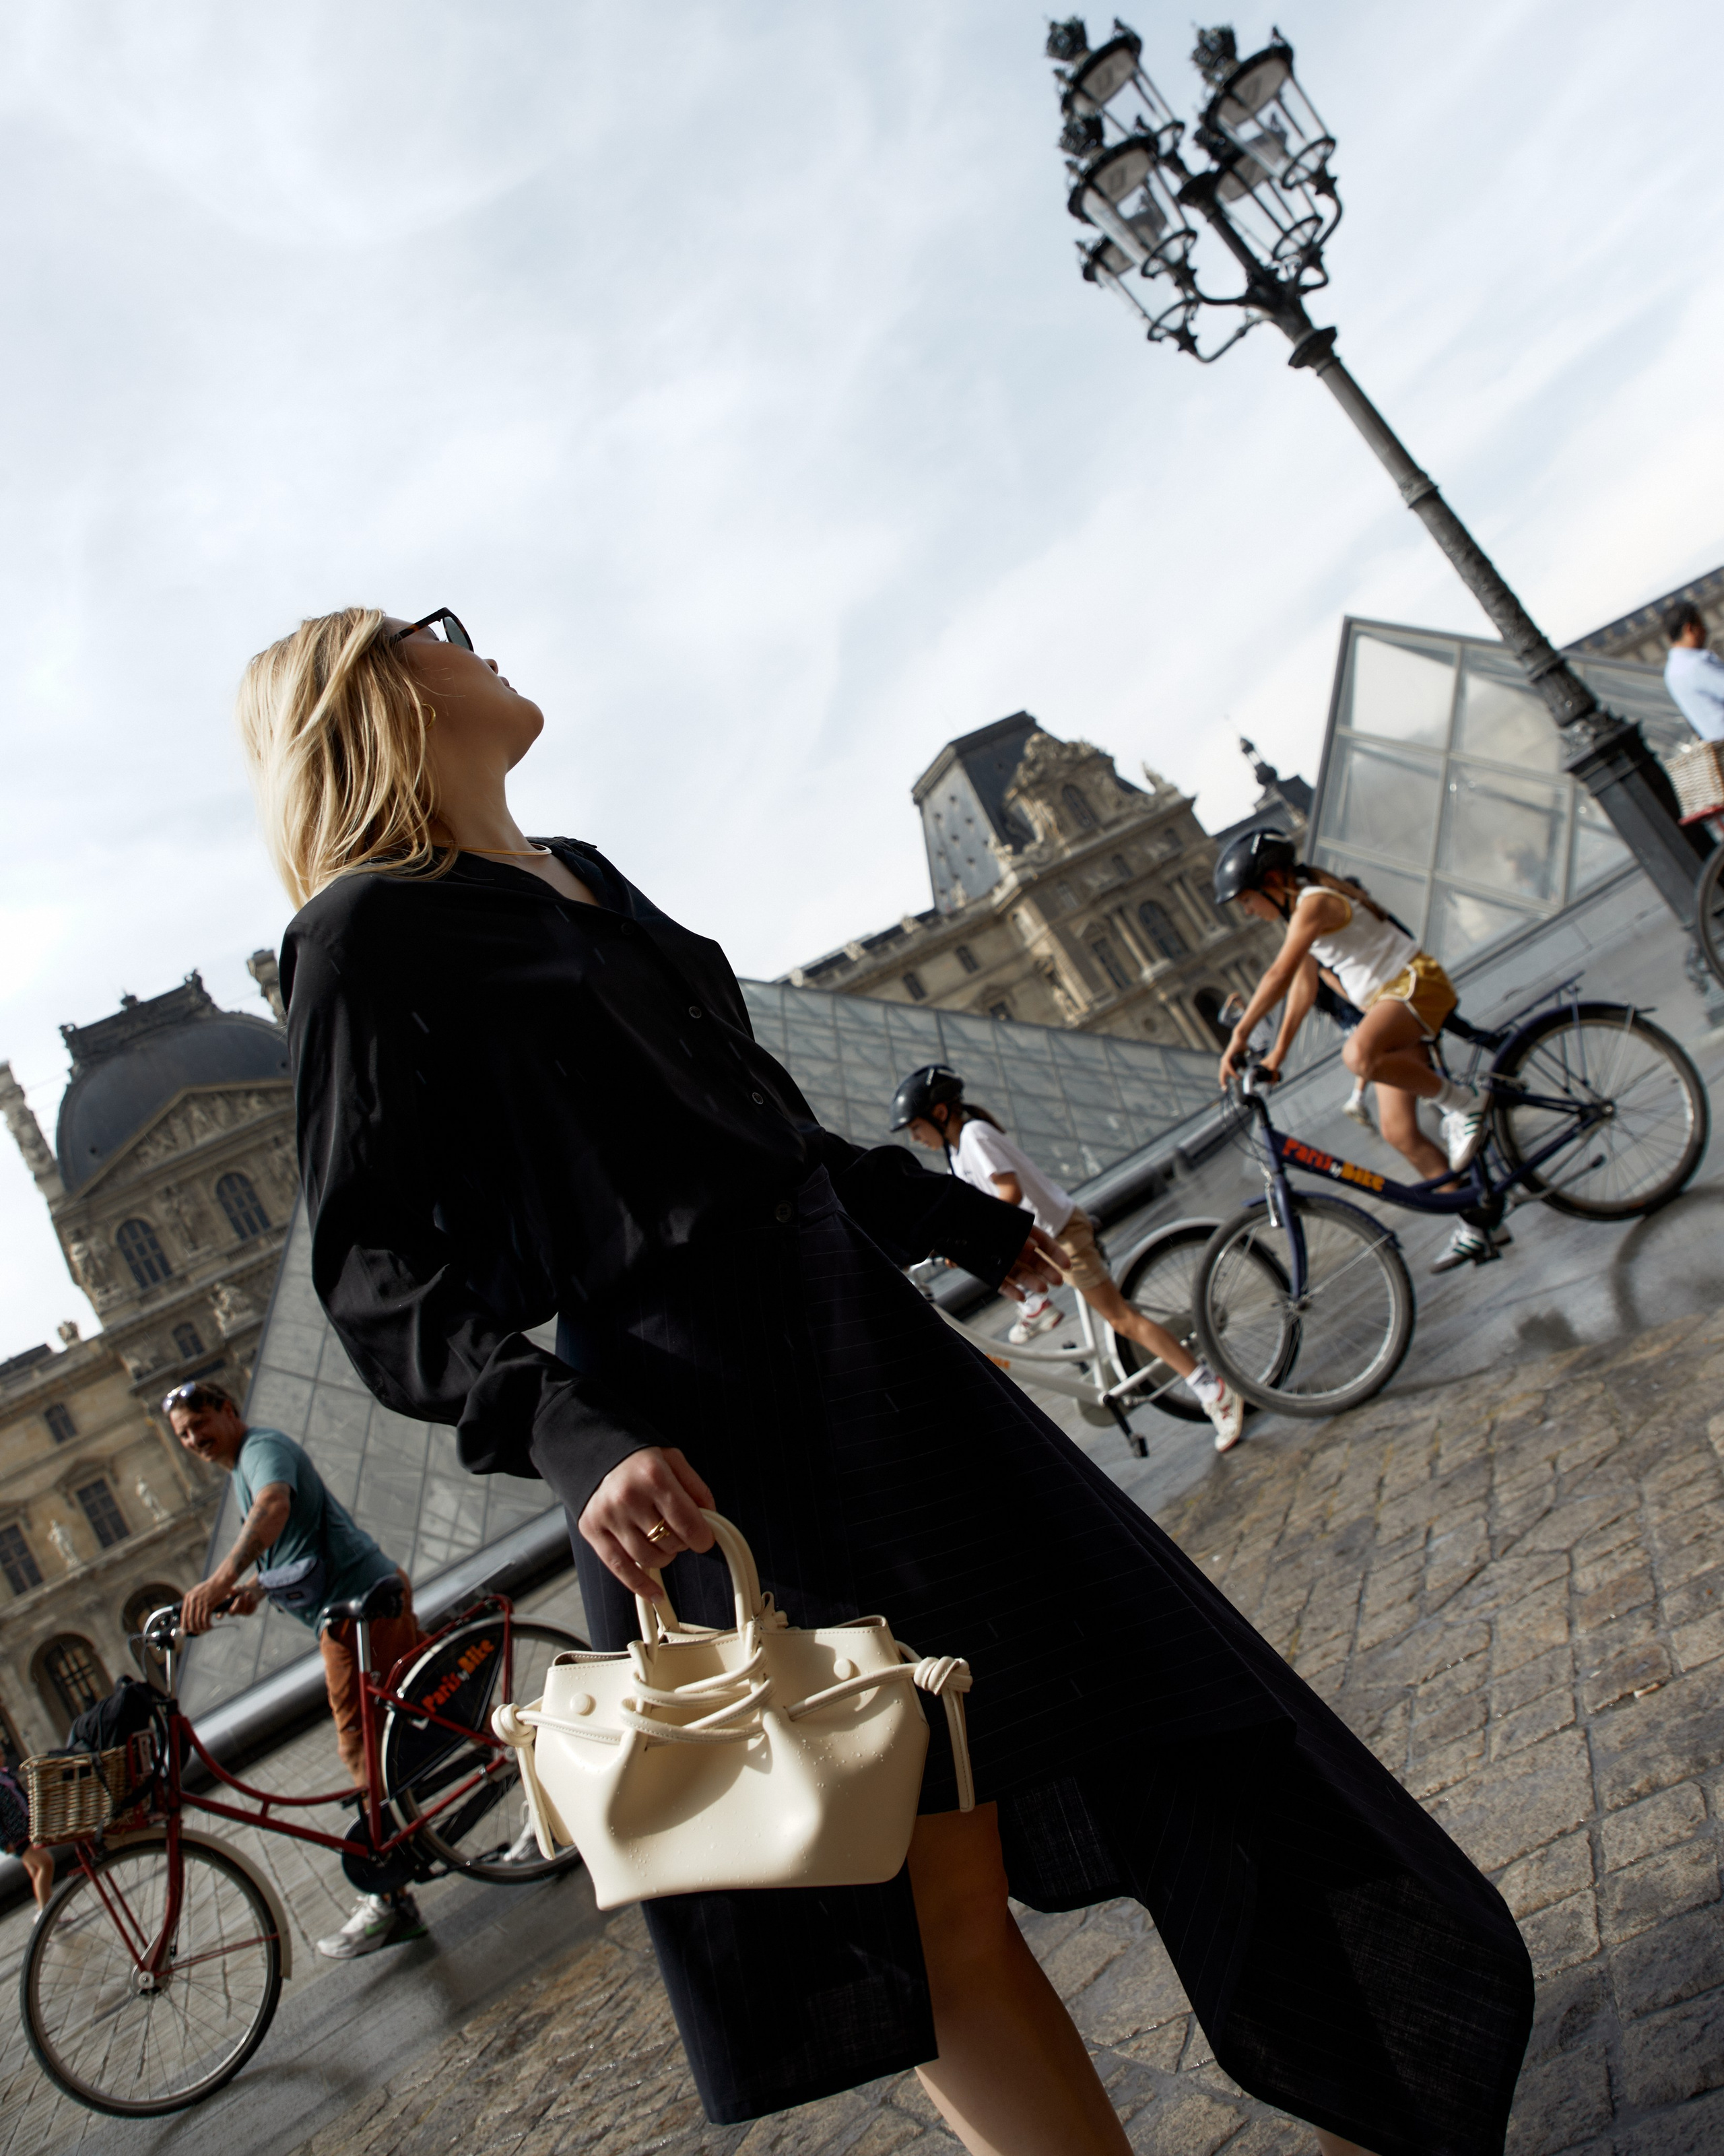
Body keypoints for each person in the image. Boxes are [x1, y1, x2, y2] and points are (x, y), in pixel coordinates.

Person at [237, 604, 1533, 2156]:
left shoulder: (579, 868)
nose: (482, 641)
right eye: (439, 631)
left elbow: (747, 1124)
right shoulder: (360, 935)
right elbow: (372, 1267)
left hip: (871, 1367)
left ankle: (1366, 2071)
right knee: (933, 1899)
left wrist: (943, 1211)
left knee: (1164, 1721)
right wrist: (573, 1430)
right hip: (709, 1431)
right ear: (377, 700)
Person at [168, 1379, 428, 1960]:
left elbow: (275, 1507)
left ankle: (393, 1898)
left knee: (362, 1744)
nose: (193, 1439)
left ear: (228, 1409)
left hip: (357, 1610)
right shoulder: (246, 1462)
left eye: (200, 1424)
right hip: (361, 1600)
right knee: (431, 1709)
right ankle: (518, 1785)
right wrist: (258, 1586)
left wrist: (221, 1579)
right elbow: (299, 1539)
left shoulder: (260, 1451)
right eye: (183, 1434)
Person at [888, 1065, 1245, 1451]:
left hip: (1060, 1236)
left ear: (940, 1114)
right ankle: (1037, 1305)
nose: (915, 1138)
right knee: (994, 1258)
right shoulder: (957, 1153)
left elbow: (1007, 1194)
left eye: (916, 1128)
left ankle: (1213, 1389)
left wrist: (972, 1235)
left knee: (1122, 1320)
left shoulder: (973, 1136)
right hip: (1042, 1239)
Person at [1214, 830, 1500, 1274]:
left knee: (1358, 1055)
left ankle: (1465, 1105)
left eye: (1247, 900)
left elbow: (1278, 975)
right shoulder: (1301, 917)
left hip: (1415, 987)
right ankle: (1478, 1224)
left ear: (1272, 880)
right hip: (1393, 1008)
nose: (1248, 911)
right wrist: (1275, 1059)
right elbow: (1303, 990)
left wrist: (1239, 1035)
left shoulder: (1313, 902)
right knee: (1399, 1132)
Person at [1663, 601, 1724, 741]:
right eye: (1702, 625)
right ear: (1689, 629)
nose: (1705, 630)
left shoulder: (1672, 671)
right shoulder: (1696, 665)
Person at [0, 1766, 53, 1918]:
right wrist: (4, 1843)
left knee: (37, 1870)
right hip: (15, 1837)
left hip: (26, 1826)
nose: (2, 1756)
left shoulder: (6, 1773)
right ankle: (44, 1913)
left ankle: (48, 1912)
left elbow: (21, 1795)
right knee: (45, 1863)